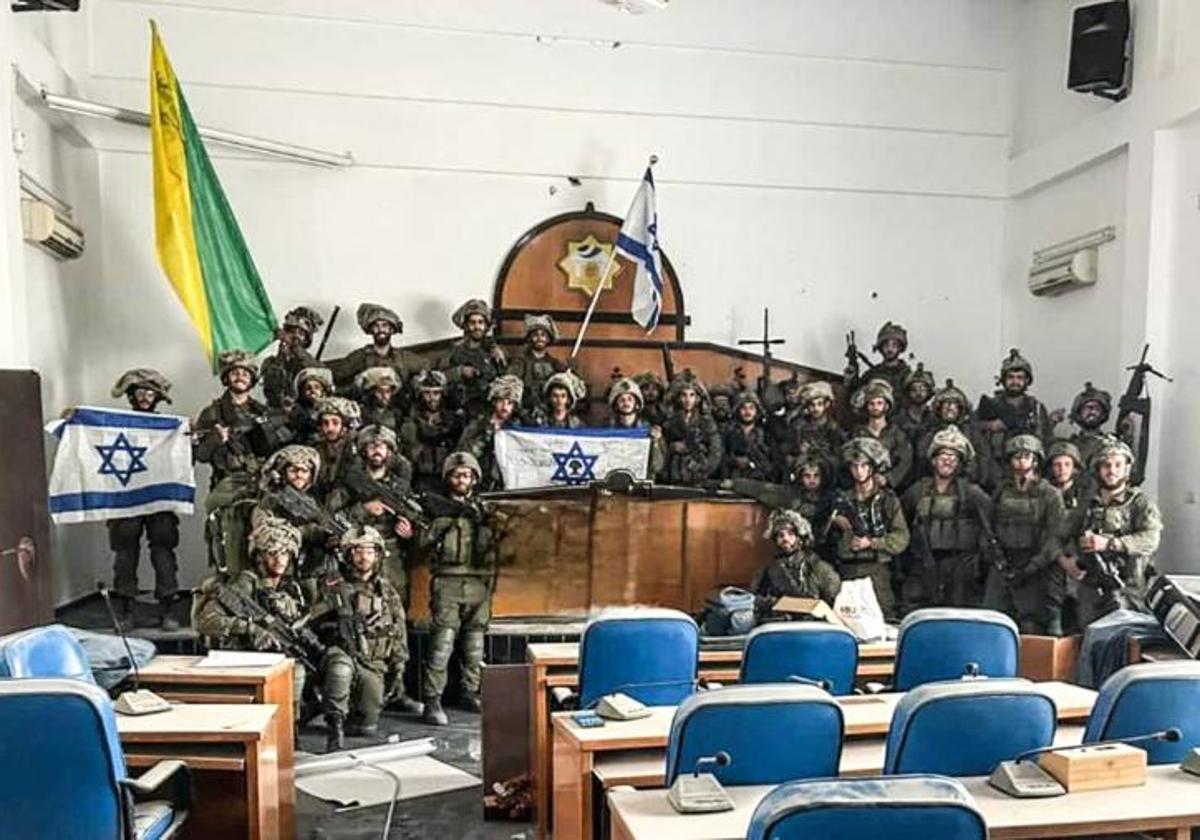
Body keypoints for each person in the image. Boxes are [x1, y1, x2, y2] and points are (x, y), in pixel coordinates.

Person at [192, 518, 312, 721]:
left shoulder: (291, 587)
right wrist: (250, 629)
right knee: (296, 674)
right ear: (259, 556)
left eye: (285, 553)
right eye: (272, 553)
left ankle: (290, 728)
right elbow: (206, 621)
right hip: (243, 655)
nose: (279, 560)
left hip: (280, 653)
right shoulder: (245, 586)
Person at [312, 525, 413, 751]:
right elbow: (312, 622)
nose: (363, 557)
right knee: (340, 669)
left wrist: (399, 668)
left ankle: (337, 711)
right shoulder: (332, 585)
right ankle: (334, 726)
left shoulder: (386, 591)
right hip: (342, 654)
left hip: (374, 661)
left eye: (369, 551)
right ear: (348, 555)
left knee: (365, 727)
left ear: (377, 555)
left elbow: (398, 630)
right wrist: (334, 624)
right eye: (357, 551)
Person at [421, 453, 498, 726]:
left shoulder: (486, 510)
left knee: (475, 644)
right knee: (442, 643)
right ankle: (432, 700)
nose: (461, 479)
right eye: (456, 475)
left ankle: (470, 691)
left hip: (480, 582)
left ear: (474, 479)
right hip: (448, 582)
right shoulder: (437, 510)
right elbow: (421, 543)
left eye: (466, 475)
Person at [1059, 436, 1163, 628]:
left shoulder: (1140, 503)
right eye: (1106, 465)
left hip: (1128, 589)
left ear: (1126, 469)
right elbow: (1059, 536)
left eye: (1117, 465)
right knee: (1088, 640)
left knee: (1124, 643)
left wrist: (1110, 543)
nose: (1112, 471)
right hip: (1090, 591)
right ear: (1098, 469)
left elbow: (1151, 539)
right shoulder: (1087, 503)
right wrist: (1067, 561)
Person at [104, 369, 181, 627]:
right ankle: (125, 610)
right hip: (126, 498)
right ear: (131, 396)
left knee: (164, 552)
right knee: (125, 554)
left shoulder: (169, 429)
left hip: (159, 497)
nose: (145, 397)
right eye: (140, 392)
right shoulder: (114, 427)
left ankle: (168, 609)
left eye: (151, 392)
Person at [900, 427, 992, 611]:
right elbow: (901, 521)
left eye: (954, 456)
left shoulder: (972, 493)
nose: (948, 460)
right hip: (924, 566)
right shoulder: (918, 490)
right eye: (943, 455)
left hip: (960, 568)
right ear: (933, 460)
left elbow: (989, 527)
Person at [984, 435, 1066, 635]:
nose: (1021, 461)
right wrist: (995, 556)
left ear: (1035, 460)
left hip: (1035, 565)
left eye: (1026, 456)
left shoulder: (1049, 494)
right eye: (1016, 456)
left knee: (1030, 624)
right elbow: (989, 525)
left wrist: (1034, 565)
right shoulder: (1001, 491)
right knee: (991, 618)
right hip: (1003, 561)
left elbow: (1055, 536)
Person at [328, 425, 418, 606]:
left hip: (390, 553)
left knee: (396, 604)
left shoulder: (400, 487)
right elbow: (331, 519)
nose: (377, 450)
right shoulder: (349, 484)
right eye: (372, 446)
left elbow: (414, 519)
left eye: (382, 446)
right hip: (356, 553)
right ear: (363, 451)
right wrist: (363, 509)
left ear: (390, 451)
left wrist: (409, 533)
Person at [828, 438, 909, 621]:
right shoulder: (841, 500)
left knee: (884, 619)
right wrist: (834, 521)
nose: (859, 471)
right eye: (854, 466)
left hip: (877, 569)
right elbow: (820, 535)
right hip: (847, 570)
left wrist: (871, 542)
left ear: (872, 468)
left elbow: (901, 538)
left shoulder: (887, 500)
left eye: (864, 466)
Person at [251, 445, 330, 588]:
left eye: (304, 471)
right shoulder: (271, 499)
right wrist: (308, 531)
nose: (299, 475)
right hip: (277, 562)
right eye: (293, 470)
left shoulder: (314, 499)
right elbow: (267, 531)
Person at [194, 349, 269, 487]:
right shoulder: (212, 412)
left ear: (252, 380)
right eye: (235, 373)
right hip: (226, 484)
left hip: (258, 483)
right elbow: (201, 456)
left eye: (245, 374)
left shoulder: (263, 412)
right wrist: (214, 440)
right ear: (226, 378)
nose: (240, 377)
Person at [750, 509, 841, 621]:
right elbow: (754, 601)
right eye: (780, 535)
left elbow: (836, 601)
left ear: (800, 537)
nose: (785, 539)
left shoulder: (818, 567)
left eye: (790, 534)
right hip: (780, 625)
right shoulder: (769, 570)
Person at [976, 349, 1054, 474]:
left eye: (1020, 378)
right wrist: (990, 426)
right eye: (1010, 377)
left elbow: (1047, 440)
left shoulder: (1036, 408)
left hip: (1030, 468)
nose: (1015, 382)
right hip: (996, 468)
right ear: (1003, 380)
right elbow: (973, 431)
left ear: (1027, 381)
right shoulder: (990, 405)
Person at [916, 379, 995, 490]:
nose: (949, 408)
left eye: (954, 404)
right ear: (939, 409)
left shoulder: (972, 433)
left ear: (960, 408)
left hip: (967, 483)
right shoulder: (930, 434)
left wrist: (979, 482)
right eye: (945, 404)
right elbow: (922, 459)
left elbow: (984, 459)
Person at [327, 303, 420, 393]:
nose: (380, 330)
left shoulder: (404, 358)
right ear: (371, 330)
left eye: (384, 325)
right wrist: (355, 384)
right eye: (376, 326)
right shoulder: (360, 357)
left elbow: (425, 371)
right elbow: (336, 376)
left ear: (391, 329)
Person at [399, 370, 462, 494]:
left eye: (436, 393)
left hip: (449, 477)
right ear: (419, 395)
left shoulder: (453, 421)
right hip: (422, 478)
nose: (432, 398)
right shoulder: (410, 422)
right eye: (427, 393)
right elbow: (411, 453)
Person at [441, 298, 507, 417]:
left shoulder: (493, 350)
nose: (477, 327)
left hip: (489, 407)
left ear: (486, 325)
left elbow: (505, 379)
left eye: (480, 322)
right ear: (466, 325)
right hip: (460, 408)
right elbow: (440, 377)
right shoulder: (455, 350)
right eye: (472, 322)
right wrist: (459, 371)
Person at [460, 375, 523, 491]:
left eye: (510, 403)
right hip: (482, 481)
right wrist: (487, 434)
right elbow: (464, 455)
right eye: (501, 401)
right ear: (494, 401)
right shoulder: (479, 424)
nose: (505, 407)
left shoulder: (518, 428)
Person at [660, 373, 723, 485]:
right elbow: (662, 451)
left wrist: (704, 470)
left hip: (698, 475)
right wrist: (672, 449)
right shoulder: (670, 423)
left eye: (691, 395)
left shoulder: (706, 422)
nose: (687, 399)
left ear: (697, 398)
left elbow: (715, 450)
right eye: (683, 395)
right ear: (678, 398)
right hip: (674, 476)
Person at [850, 379, 914, 489]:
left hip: (887, 488)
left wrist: (889, 478)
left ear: (886, 406)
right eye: (871, 403)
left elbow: (905, 461)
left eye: (879, 403)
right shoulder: (858, 433)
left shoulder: (896, 433)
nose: (875, 407)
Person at [261, 306, 323, 410]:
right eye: (292, 331)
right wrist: (280, 359)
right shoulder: (270, 362)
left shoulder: (311, 363)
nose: (295, 336)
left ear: (306, 340)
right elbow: (271, 389)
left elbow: (314, 369)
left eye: (301, 333)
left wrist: (294, 347)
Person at [506, 314, 567, 414]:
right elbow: (509, 387)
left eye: (543, 335)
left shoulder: (556, 364)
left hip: (550, 412)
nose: (539, 338)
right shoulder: (520, 362)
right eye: (535, 335)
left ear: (548, 338)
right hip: (525, 411)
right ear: (530, 338)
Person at [606, 377, 665, 477]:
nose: (626, 403)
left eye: (630, 399)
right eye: (622, 400)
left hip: (642, 483)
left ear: (636, 404)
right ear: (616, 405)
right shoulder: (607, 429)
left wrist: (656, 443)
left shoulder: (649, 429)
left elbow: (658, 467)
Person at [312, 397, 361, 503]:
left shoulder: (356, 450)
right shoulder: (315, 449)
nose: (330, 428)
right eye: (325, 423)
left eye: (335, 423)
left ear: (344, 426)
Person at [722, 391, 775, 481]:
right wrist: (734, 461)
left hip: (759, 479)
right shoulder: (729, 432)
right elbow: (721, 454)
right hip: (733, 477)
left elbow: (772, 460)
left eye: (751, 408)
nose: (747, 412)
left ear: (757, 411)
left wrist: (753, 463)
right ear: (738, 410)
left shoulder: (765, 433)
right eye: (744, 408)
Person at [1068, 382, 1114, 468]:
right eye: (1087, 408)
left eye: (1096, 408)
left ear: (1103, 414)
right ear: (1078, 414)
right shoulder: (1069, 446)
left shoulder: (1112, 445)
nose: (1092, 411)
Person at [861, 321, 912, 395]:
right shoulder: (871, 374)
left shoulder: (907, 375)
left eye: (894, 345)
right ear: (881, 348)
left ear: (900, 348)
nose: (890, 349)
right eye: (886, 345)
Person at [287, 366, 334, 445]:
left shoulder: (331, 407)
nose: (313, 391)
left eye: (317, 387)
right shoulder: (298, 410)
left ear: (323, 391)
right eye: (308, 388)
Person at [895, 362, 935, 444]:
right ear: (908, 392)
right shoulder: (898, 419)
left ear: (929, 392)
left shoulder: (935, 420)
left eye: (922, 390)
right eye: (914, 390)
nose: (918, 394)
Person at [356, 367, 404, 431]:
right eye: (379, 392)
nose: (384, 396)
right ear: (371, 393)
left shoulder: (397, 414)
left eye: (387, 392)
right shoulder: (360, 413)